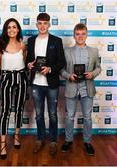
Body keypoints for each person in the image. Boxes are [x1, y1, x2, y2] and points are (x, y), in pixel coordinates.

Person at [26, 13, 66, 156]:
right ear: (36, 25)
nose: (42, 26)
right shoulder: (31, 41)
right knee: (38, 114)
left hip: (51, 83)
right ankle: (40, 139)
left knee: (53, 114)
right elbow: (29, 60)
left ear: (49, 25)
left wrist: (50, 69)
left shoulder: (57, 41)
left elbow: (62, 62)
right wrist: (29, 65)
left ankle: (53, 141)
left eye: (45, 23)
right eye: (40, 23)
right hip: (36, 83)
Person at [60, 23, 101, 156]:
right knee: (69, 117)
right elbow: (61, 69)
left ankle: (87, 142)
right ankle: (68, 140)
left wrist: (92, 74)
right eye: (78, 34)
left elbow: (98, 67)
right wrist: (68, 75)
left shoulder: (94, 51)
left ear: (87, 35)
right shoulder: (66, 51)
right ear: (74, 35)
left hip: (87, 88)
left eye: (83, 34)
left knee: (87, 117)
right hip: (72, 87)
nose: (80, 36)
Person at [0, 18, 28, 159]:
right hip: (6, 77)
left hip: (21, 77)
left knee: (20, 108)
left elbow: (25, 62)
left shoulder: (22, 46)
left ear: (18, 29)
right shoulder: (0, 47)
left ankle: (16, 136)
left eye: (14, 27)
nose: (11, 29)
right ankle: (3, 144)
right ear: (6, 29)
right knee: (5, 110)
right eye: (9, 27)